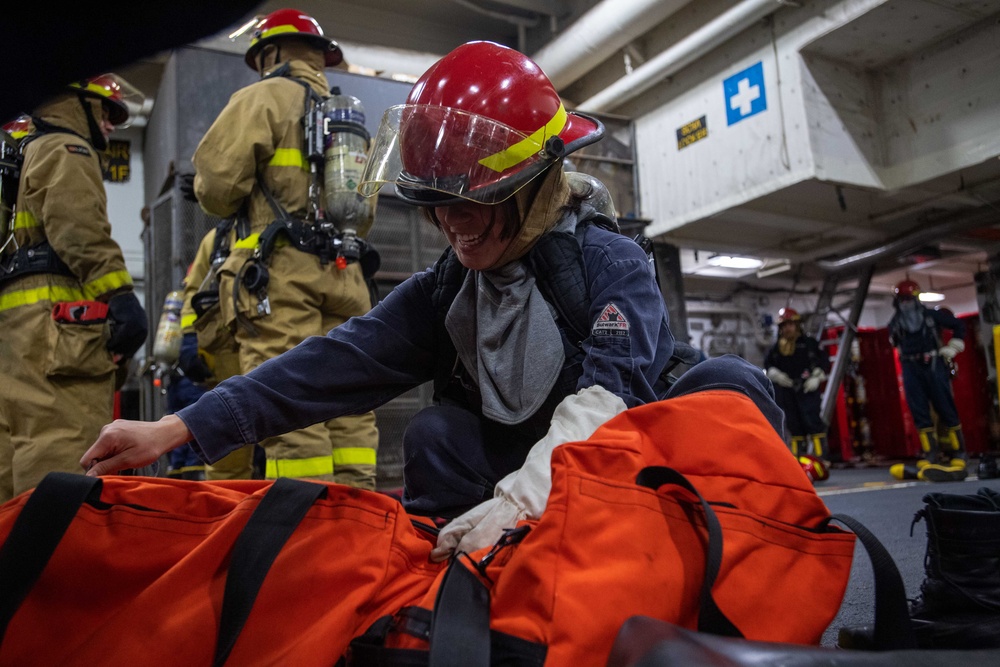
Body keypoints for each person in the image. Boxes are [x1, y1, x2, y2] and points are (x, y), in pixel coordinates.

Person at [82, 40, 782, 562]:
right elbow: (327, 366)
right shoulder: (451, 289)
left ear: (537, 182)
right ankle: (465, 594)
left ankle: (743, 565)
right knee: (436, 435)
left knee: (733, 391)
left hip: (628, 478)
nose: (452, 222)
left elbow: (606, 401)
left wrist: (517, 501)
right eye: (435, 202)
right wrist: (173, 430)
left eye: (472, 201)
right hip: (531, 503)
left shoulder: (610, 262)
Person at [187, 8, 379, 488]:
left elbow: (216, 189)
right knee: (350, 411)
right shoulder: (349, 119)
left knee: (291, 402)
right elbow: (366, 214)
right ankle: (358, 526)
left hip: (280, 278)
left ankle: (303, 530)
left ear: (270, 53)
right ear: (320, 58)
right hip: (346, 274)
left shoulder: (261, 98)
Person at [0, 74, 148, 502]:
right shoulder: (67, 149)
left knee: (15, 456)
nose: (109, 125)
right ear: (76, 104)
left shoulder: (22, 154)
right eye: (104, 111)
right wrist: (118, 295)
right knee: (63, 452)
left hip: (15, 333)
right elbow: (79, 231)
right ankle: (58, 563)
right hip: (59, 331)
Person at [178, 225, 260, 480]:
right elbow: (194, 292)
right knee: (226, 451)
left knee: (289, 445)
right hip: (227, 353)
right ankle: (229, 514)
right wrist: (190, 338)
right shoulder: (218, 239)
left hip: (275, 346)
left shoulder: (287, 227)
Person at [887, 279, 968, 482]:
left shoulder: (931, 316)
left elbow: (959, 325)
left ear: (916, 299)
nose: (906, 303)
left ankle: (958, 453)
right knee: (919, 412)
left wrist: (954, 346)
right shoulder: (895, 323)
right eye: (902, 299)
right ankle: (930, 454)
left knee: (945, 407)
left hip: (933, 364)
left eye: (909, 299)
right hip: (910, 367)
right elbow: (895, 344)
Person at [764, 307, 830, 460]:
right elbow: (768, 365)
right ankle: (797, 462)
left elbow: (823, 361)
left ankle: (822, 460)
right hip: (787, 392)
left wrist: (817, 376)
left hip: (808, 389)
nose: (788, 328)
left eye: (791, 324)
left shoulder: (810, 344)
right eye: (784, 325)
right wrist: (774, 373)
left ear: (797, 325)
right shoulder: (776, 349)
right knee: (794, 427)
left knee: (813, 423)